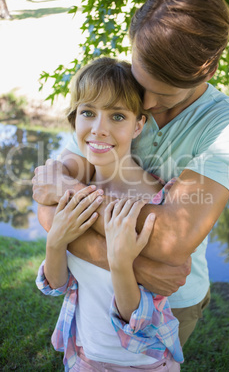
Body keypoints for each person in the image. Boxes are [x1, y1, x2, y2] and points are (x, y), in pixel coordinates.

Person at [32, 0, 229, 348]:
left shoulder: (227, 125)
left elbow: (170, 241)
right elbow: (47, 203)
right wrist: (139, 266)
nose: (146, 104)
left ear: (207, 70)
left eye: (163, 92)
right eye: (141, 81)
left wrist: (69, 197)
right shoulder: (118, 94)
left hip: (171, 300)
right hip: (95, 284)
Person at [36, 57, 184, 371]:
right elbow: (59, 284)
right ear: (74, 119)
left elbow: (139, 320)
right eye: (88, 113)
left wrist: (120, 263)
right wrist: (56, 242)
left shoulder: (156, 203)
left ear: (138, 125)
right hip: (85, 354)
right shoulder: (74, 188)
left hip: (143, 361)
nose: (99, 129)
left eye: (117, 116)